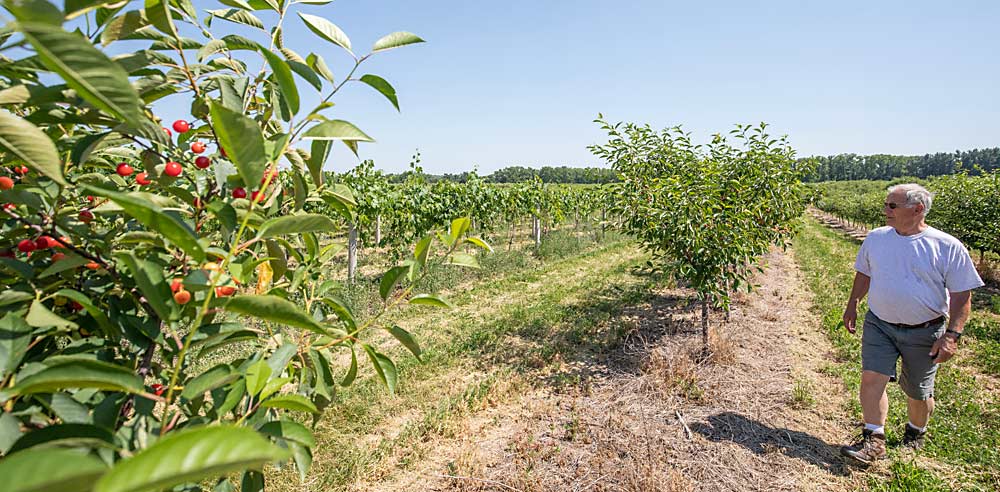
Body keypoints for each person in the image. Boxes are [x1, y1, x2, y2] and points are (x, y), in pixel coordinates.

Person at [839, 183, 984, 465]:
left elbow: (961, 295)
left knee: (917, 392)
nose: (885, 210)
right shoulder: (877, 238)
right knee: (872, 377)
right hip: (880, 323)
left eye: (892, 205)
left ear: (918, 209)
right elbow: (864, 272)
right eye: (886, 204)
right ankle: (874, 439)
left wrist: (951, 335)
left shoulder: (946, 246)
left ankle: (916, 431)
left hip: (925, 330)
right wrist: (853, 302)